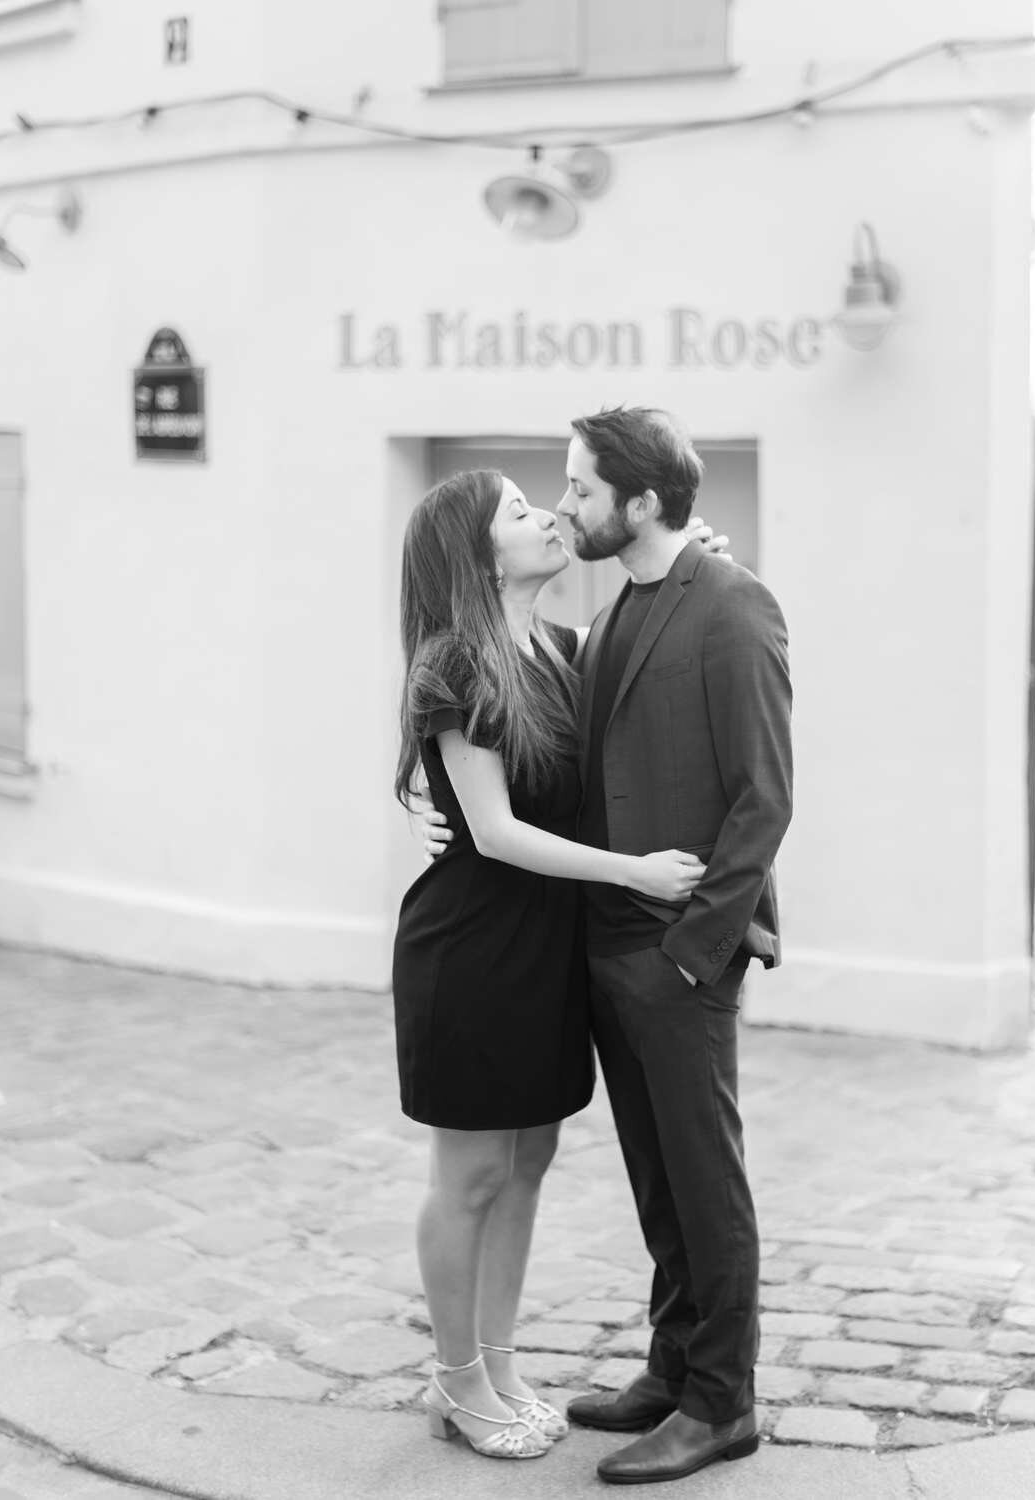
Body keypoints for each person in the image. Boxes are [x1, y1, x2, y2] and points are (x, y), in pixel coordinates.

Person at [421, 407, 793, 1485]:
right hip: (604, 955)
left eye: (579, 489)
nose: (565, 505)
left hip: (680, 954)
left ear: (638, 503)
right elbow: (505, 756)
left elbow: (763, 798)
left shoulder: (732, 605)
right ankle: (673, 1370)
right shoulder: (611, 616)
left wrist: (695, 947)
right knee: (658, 1180)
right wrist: (427, 803)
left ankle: (723, 1403)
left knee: (706, 1182)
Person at [392, 466, 718, 1462]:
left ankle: (496, 1364)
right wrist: (637, 873)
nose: (544, 517)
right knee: (473, 1172)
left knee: (529, 1160)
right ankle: (454, 1385)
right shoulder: (455, 662)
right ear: (476, 551)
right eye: (520, 511)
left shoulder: (566, 649)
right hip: (474, 950)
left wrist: (700, 567)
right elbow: (489, 832)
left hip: (547, 949)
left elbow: (657, 650)